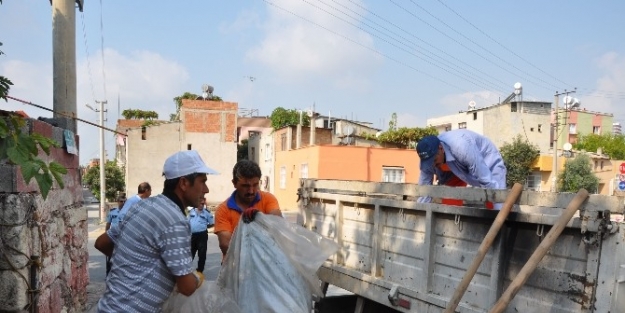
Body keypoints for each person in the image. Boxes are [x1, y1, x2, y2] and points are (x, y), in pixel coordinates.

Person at [94, 150, 218, 312]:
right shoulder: (175, 220)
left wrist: (131, 262)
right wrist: (196, 278)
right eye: (203, 181)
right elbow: (186, 287)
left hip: (108, 307)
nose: (206, 189)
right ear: (184, 183)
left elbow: (101, 243)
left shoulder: (142, 206)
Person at [416, 129, 507, 209]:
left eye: (434, 160)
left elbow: (487, 180)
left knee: (497, 202)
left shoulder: (461, 148)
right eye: (429, 162)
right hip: (455, 169)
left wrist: (497, 201)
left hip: (485, 160)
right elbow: (424, 191)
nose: (433, 165)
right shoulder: (427, 159)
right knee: (449, 204)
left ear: (441, 148)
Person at [214, 160, 282, 257]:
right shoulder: (223, 210)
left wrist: (259, 217)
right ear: (234, 183)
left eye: (255, 185)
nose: (251, 191)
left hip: (266, 264)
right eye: (245, 186)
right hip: (236, 267)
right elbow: (226, 246)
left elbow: (278, 225)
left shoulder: (268, 199)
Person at [188, 197, 214, 273]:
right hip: (192, 235)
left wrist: (204, 227)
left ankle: (200, 270)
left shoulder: (207, 213)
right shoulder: (191, 212)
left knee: (202, 253)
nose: (201, 205)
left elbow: (212, 223)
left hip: (202, 235)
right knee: (190, 252)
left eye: (202, 204)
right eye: (200, 203)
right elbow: (187, 222)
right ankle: (187, 269)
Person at [104, 196, 125, 275]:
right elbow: (108, 224)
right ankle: (109, 273)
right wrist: (106, 235)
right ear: (117, 202)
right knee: (110, 256)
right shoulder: (113, 212)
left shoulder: (128, 212)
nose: (122, 203)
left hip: (123, 238)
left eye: (124, 201)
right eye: (121, 201)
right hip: (113, 237)